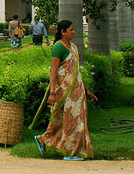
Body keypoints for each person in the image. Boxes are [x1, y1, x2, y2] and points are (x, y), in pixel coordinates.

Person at [34, 20, 97, 161]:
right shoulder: (58, 47)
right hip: (64, 91)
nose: (74, 32)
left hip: (77, 92)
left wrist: (86, 90)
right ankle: (70, 151)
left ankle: (43, 139)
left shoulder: (73, 47)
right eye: (71, 30)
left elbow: (76, 72)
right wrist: (52, 93)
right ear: (63, 32)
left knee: (72, 120)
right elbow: (53, 71)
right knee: (69, 121)